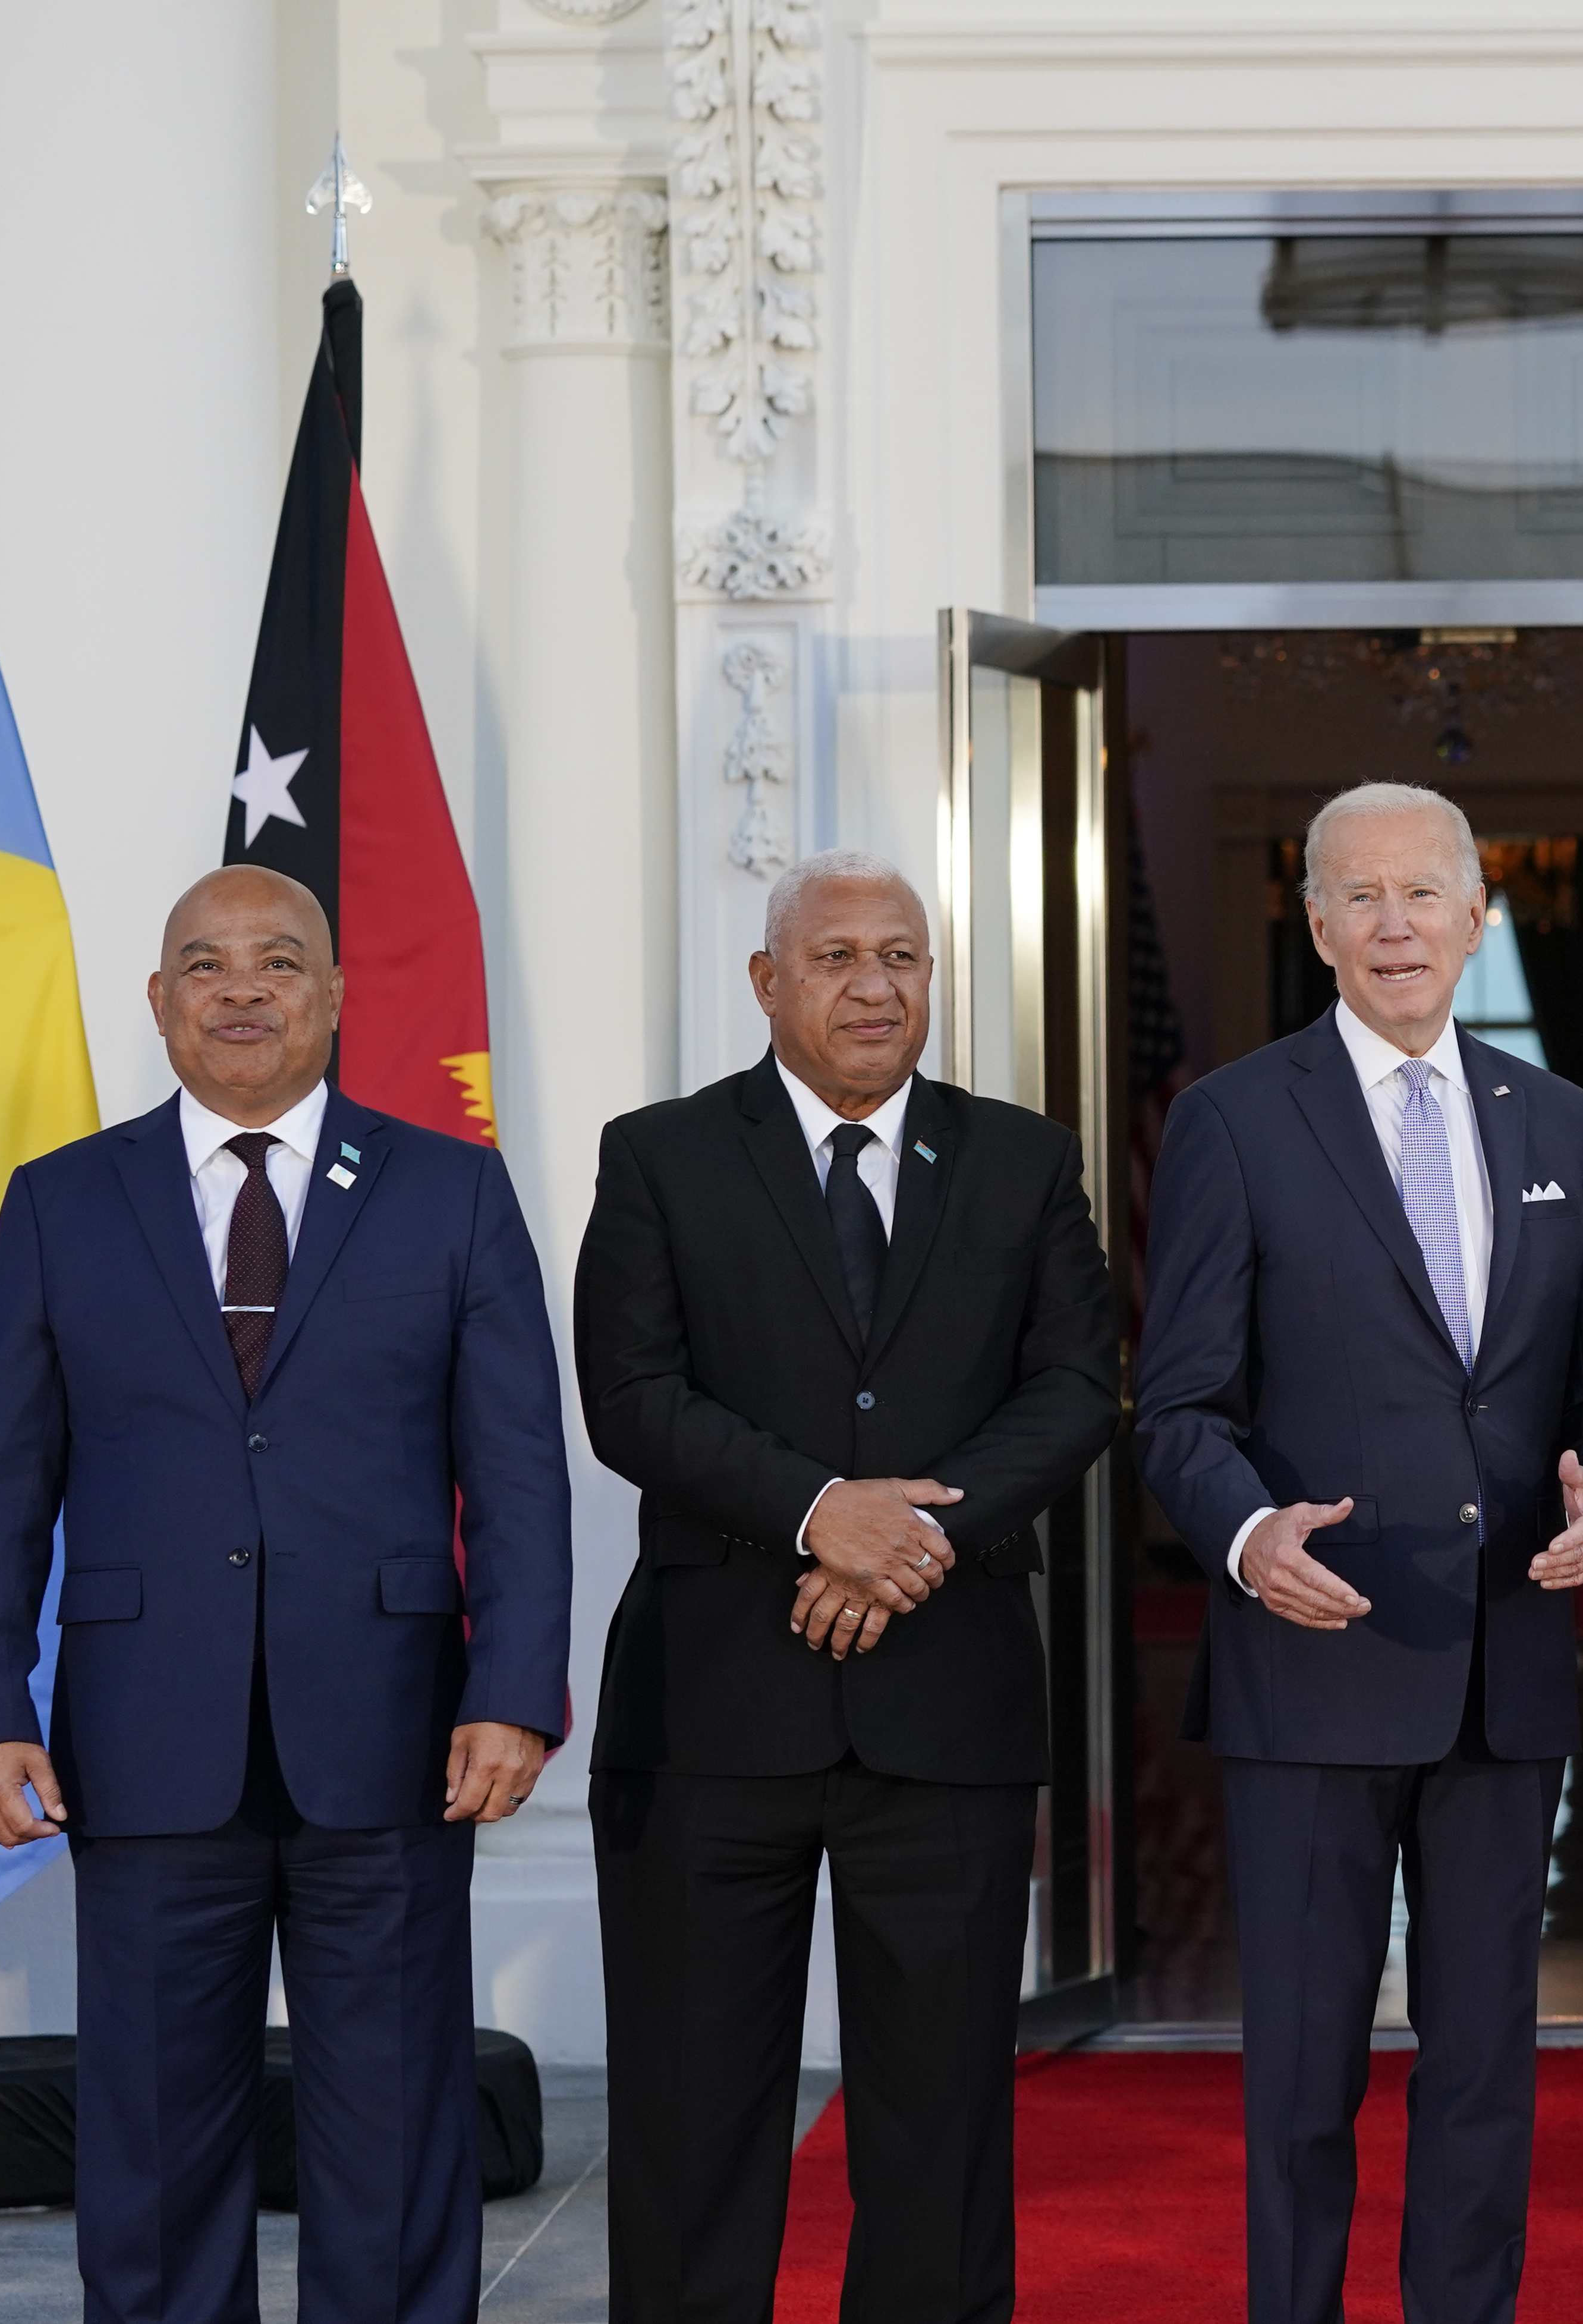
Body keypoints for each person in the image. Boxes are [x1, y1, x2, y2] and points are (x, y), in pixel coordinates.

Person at [0, 865, 571, 2324]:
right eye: (205, 964)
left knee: (395, 2129)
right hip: (146, 1739)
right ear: (159, 1001)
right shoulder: (61, 1201)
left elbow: (518, 1472)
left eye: (277, 962)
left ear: (333, 995)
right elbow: (1, 1479)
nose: (240, 990)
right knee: (154, 2139)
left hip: (395, 1737)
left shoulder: (451, 1189)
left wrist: (515, 1693)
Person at [1135, 781, 1583, 2324]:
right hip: (1310, 1664)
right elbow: (1177, 1405)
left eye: (1422, 892)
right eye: (1358, 895)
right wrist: (1247, 1535)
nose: (1393, 924)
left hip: (1508, 1669)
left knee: (1486, 2065)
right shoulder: (1236, 1118)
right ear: (1314, 924)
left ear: (1477, 916)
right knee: (1302, 2076)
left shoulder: (1558, 1118)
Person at [574, 849, 1118, 2318]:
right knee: (691, 2125)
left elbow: (1076, 1387)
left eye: (902, 957)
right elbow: (631, 1396)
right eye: (835, 958)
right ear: (767, 981)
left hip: (946, 1711)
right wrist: (823, 1513)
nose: (874, 986)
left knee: (941, 2132)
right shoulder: (663, 1154)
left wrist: (905, 1543)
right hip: (711, 1711)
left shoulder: (1021, 1158)